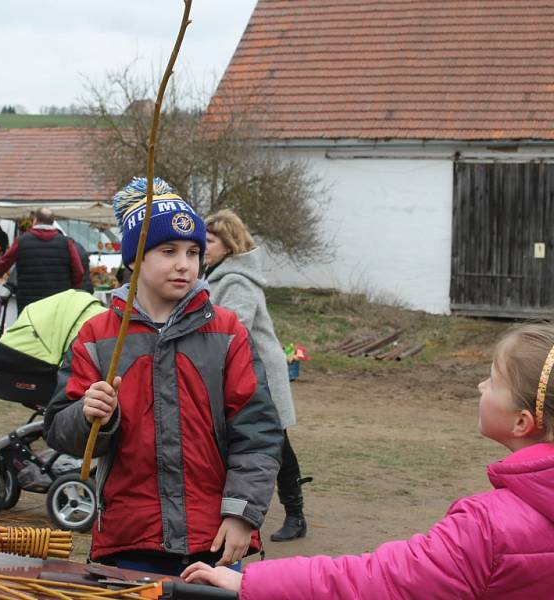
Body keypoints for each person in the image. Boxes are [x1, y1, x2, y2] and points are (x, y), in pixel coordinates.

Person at [183, 322, 554, 599]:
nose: (480, 387)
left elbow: (382, 580)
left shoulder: (488, 527)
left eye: (491, 380)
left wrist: (250, 582)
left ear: (522, 421)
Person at [44, 178, 282, 576]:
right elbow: (57, 429)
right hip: (130, 537)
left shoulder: (226, 333)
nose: (183, 264)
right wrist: (89, 416)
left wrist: (242, 514)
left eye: (193, 252)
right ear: (134, 258)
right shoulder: (98, 337)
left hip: (215, 539)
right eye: (168, 250)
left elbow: (256, 431)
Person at [204, 209, 311, 542]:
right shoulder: (216, 273)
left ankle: (295, 516)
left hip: (260, 373)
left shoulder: (236, 281)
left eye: (209, 241)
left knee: (277, 444)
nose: (202, 246)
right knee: (272, 442)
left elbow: (235, 328)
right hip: (246, 371)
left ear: (229, 245)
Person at [0, 208, 85, 311]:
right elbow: (79, 271)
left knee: (28, 326)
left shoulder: (22, 240)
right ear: (52, 222)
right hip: (58, 301)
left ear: (35, 220)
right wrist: (72, 290)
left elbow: (4, 264)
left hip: (28, 302)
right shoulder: (66, 242)